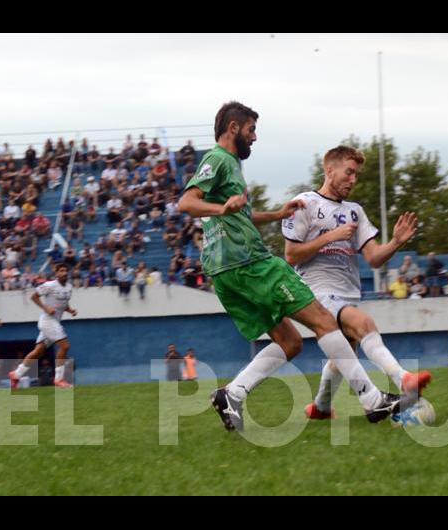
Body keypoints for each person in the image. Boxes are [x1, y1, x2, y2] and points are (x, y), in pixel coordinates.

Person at [177, 101, 409, 432]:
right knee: (324, 321)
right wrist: (222, 209)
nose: (254, 138)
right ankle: (372, 400)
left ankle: (232, 394)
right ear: (233, 128)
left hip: (224, 273)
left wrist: (276, 215)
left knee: (291, 342)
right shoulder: (219, 159)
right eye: (251, 130)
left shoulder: (230, 167)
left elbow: (238, 214)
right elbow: (186, 203)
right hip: (249, 263)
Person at [282, 145, 430, 420]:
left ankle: (320, 408)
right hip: (316, 291)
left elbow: (373, 258)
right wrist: (331, 236)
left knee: (342, 358)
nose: (353, 180)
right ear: (329, 170)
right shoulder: (305, 203)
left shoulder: (355, 211)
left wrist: (396, 242)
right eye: (349, 173)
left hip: (347, 293)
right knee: (365, 325)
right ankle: (403, 379)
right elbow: (290, 255)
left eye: (356, 175)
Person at [10, 263, 77, 388]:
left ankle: (16, 374)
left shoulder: (69, 287)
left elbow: (63, 304)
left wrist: (70, 310)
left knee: (38, 352)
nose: (64, 273)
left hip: (54, 323)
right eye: (61, 270)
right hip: (47, 321)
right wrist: (45, 308)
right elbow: (34, 297)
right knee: (65, 346)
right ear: (56, 273)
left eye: (65, 270)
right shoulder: (49, 285)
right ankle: (59, 380)